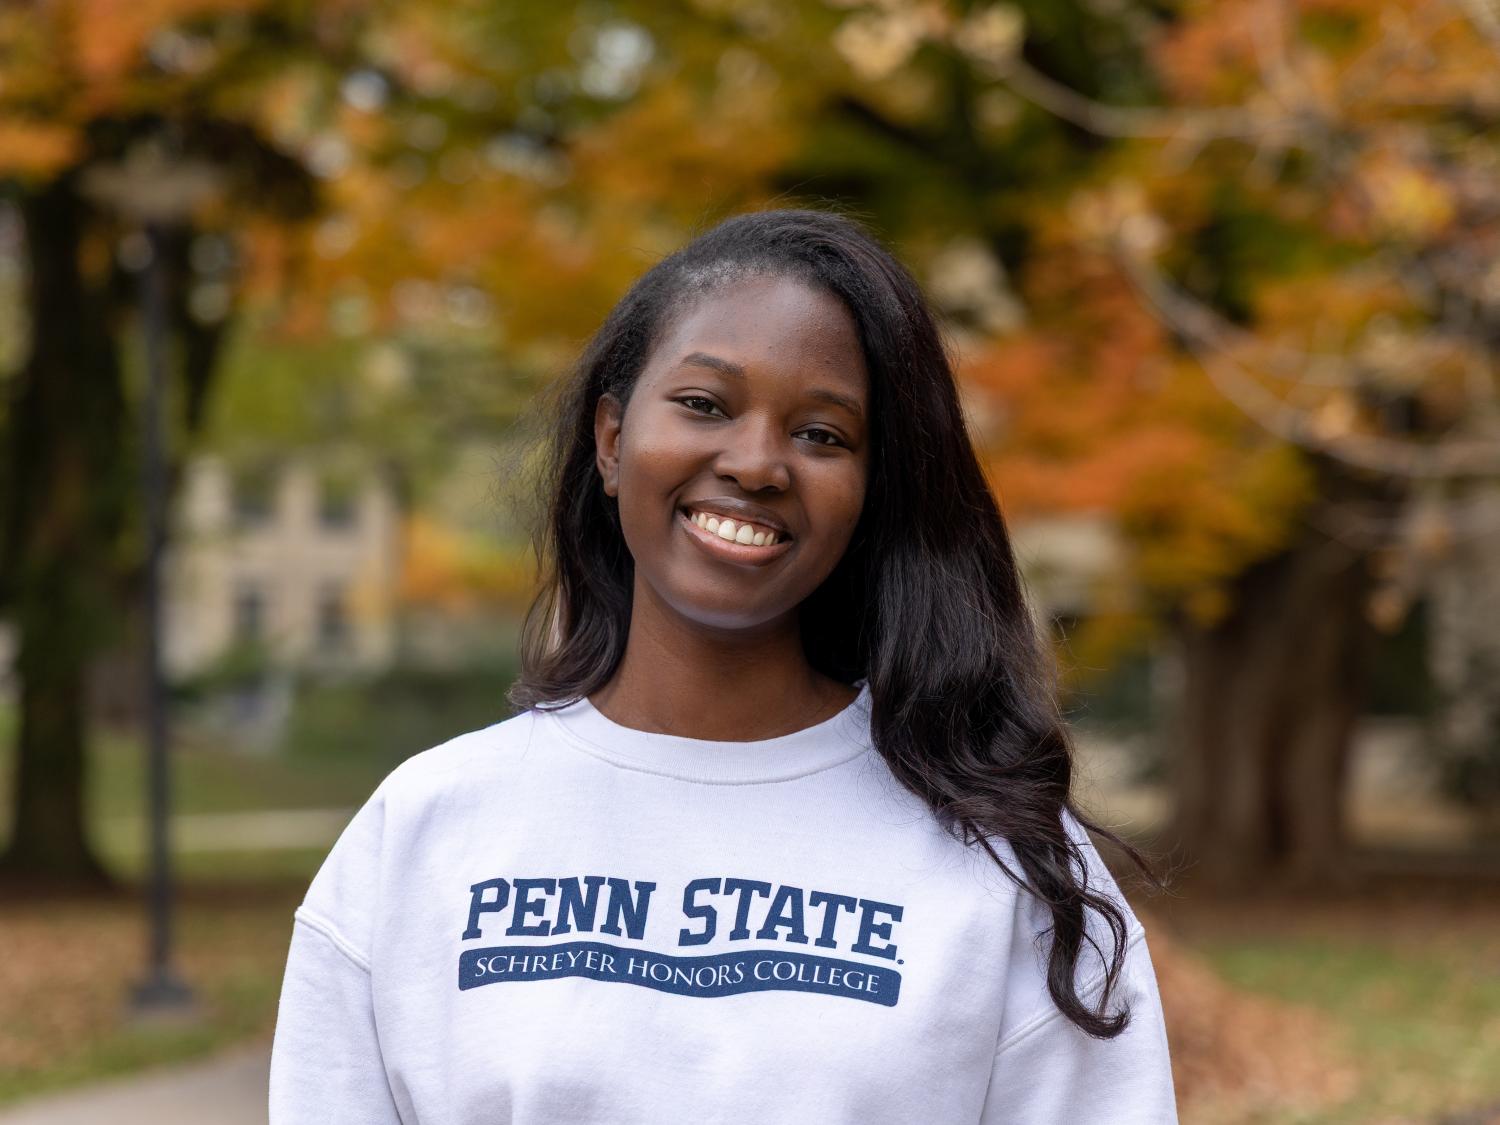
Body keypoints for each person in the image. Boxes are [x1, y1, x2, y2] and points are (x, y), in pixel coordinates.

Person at [268, 208, 1178, 1123]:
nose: (755, 463)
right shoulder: (426, 830)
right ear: (612, 439)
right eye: (704, 405)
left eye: (823, 434)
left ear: (872, 491)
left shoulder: (1002, 861)